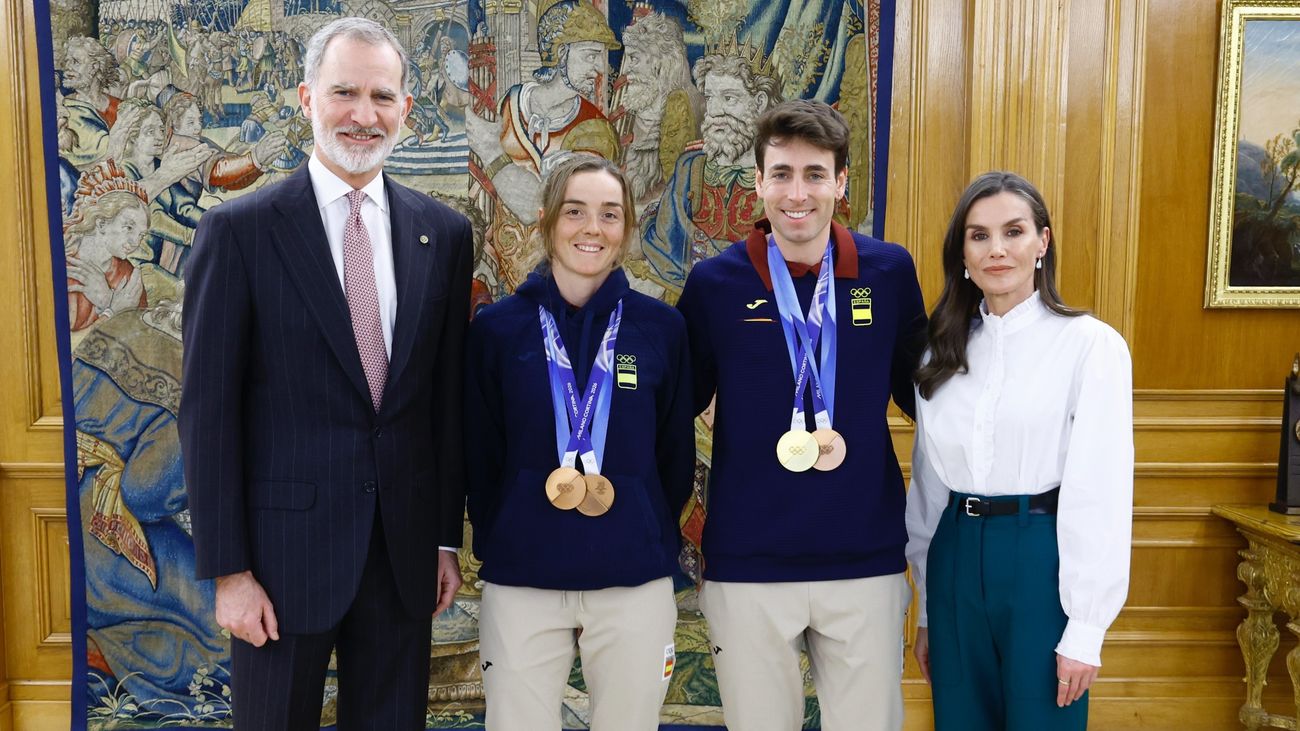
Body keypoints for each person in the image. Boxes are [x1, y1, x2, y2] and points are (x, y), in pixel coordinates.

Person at [178, 17, 473, 729]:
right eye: (345, 92)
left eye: (381, 96)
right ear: (307, 99)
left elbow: (444, 399)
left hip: (401, 559)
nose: (364, 115)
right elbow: (207, 411)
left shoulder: (444, 232)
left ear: (406, 107)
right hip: (280, 564)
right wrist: (230, 571)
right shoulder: (240, 232)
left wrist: (441, 539)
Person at [675, 99, 927, 731]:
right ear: (757, 181)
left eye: (815, 174)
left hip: (864, 557)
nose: (797, 192)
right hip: (748, 559)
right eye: (781, 173)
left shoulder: (889, 272)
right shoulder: (714, 284)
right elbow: (667, 408)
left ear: (841, 183)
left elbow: (929, 398)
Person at [464, 153, 694, 730]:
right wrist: (508, 529)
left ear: (626, 228)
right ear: (546, 219)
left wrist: (641, 522)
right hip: (523, 577)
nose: (593, 228)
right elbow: (480, 453)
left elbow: (674, 455)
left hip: (632, 578)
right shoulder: (497, 329)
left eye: (610, 214)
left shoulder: (661, 328)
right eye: (576, 211)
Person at [905, 171, 1133, 730]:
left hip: (1040, 558)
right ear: (962, 251)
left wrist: (1085, 628)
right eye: (979, 236)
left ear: (1042, 243)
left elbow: (1100, 491)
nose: (997, 249)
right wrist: (929, 610)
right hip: (955, 557)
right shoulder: (940, 350)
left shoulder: (1089, 346)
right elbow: (929, 485)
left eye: (1013, 231)